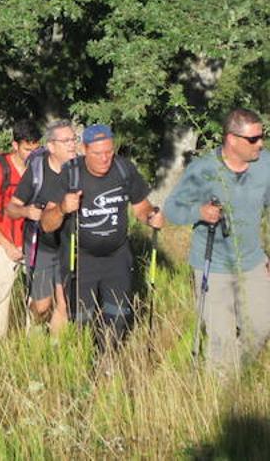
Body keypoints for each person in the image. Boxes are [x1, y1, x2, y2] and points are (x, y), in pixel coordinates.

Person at [165, 108, 270, 374]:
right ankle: (221, 393)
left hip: (253, 262)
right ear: (232, 139)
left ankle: (235, 372)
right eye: (254, 139)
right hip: (214, 264)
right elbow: (172, 208)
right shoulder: (203, 169)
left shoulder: (265, 165)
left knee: (260, 326)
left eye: (262, 136)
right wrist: (199, 212)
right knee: (221, 339)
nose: (260, 143)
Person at [40, 123, 162, 348]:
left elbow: (141, 207)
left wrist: (151, 216)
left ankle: (109, 363)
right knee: (82, 321)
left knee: (118, 316)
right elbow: (46, 224)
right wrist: (62, 208)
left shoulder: (124, 170)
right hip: (81, 260)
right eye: (97, 153)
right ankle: (84, 364)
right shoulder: (70, 174)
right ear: (84, 150)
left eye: (109, 152)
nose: (105, 158)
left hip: (117, 257)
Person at [7, 119, 78, 334]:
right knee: (42, 306)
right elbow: (11, 208)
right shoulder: (37, 171)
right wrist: (28, 212)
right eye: (66, 140)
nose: (72, 144)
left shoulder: (79, 169)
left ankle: (55, 353)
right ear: (51, 146)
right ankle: (33, 313)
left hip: (68, 245)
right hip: (41, 246)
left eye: (74, 139)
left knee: (64, 304)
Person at [0, 121, 43, 339]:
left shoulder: (40, 169)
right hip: (0, 239)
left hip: (29, 239)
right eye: (27, 149)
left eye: (36, 149)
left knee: (37, 291)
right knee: (0, 292)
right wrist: (7, 246)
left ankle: (33, 343)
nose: (32, 154)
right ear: (15, 145)